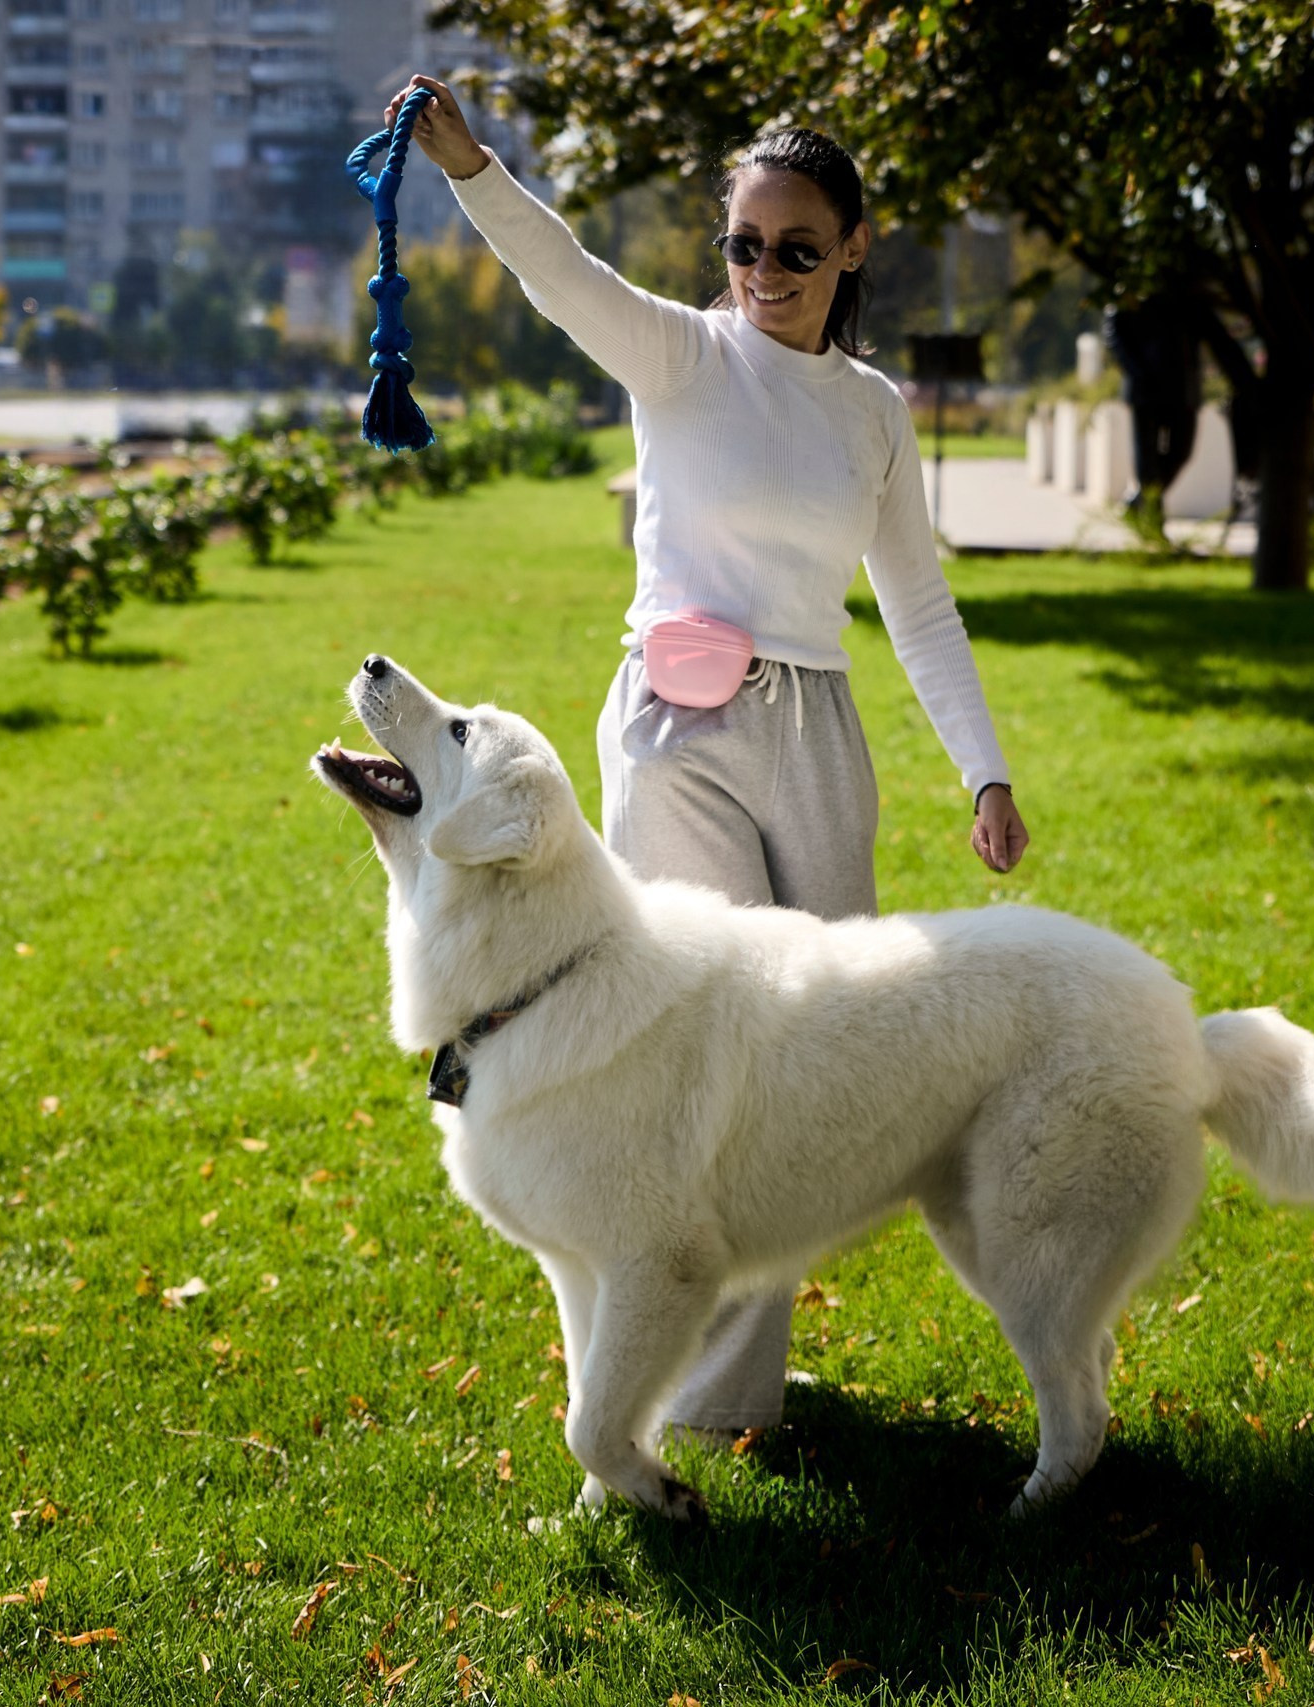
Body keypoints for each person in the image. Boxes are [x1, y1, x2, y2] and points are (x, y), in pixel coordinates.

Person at [394, 75, 1031, 1438]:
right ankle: (701, 1400)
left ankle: (738, 1372)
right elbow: (562, 274)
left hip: (819, 733)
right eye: (744, 244)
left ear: (852, 249)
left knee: (817, 1057)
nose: (765, 273)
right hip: (678, 731)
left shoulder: (874, 411)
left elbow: (918, 606)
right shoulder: (683, 357)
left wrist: (984, 770)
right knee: (695, 1052)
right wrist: (470, 170)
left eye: (798, 248)